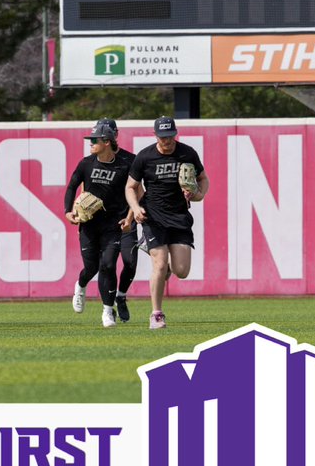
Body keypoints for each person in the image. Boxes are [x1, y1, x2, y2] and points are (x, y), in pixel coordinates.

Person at [125, 116, 208, 330]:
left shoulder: (187, 153)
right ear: (156, 136)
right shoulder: (145, 157)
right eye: (163, 137)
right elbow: (130, 187)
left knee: (182, 271)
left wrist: (198, 194)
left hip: (179, 216)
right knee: (159, 263)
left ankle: (167, 271)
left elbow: (203, 179)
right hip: (153, 217)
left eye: (170, 136)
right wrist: (135, 208)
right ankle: (156, 314)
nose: (167, 141)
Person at [65, 121, 135, 327]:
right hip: (89, 224)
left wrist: (129, 217)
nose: (91, 143)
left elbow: (136, 191)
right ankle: (81, 285)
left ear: (107, 142)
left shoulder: (125, 165)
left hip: (114, 224)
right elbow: (71, 187)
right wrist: (68, 211)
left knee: (108, 265)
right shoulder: (86, 163)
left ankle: (107, 312)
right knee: (91, 267)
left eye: (94, 140)